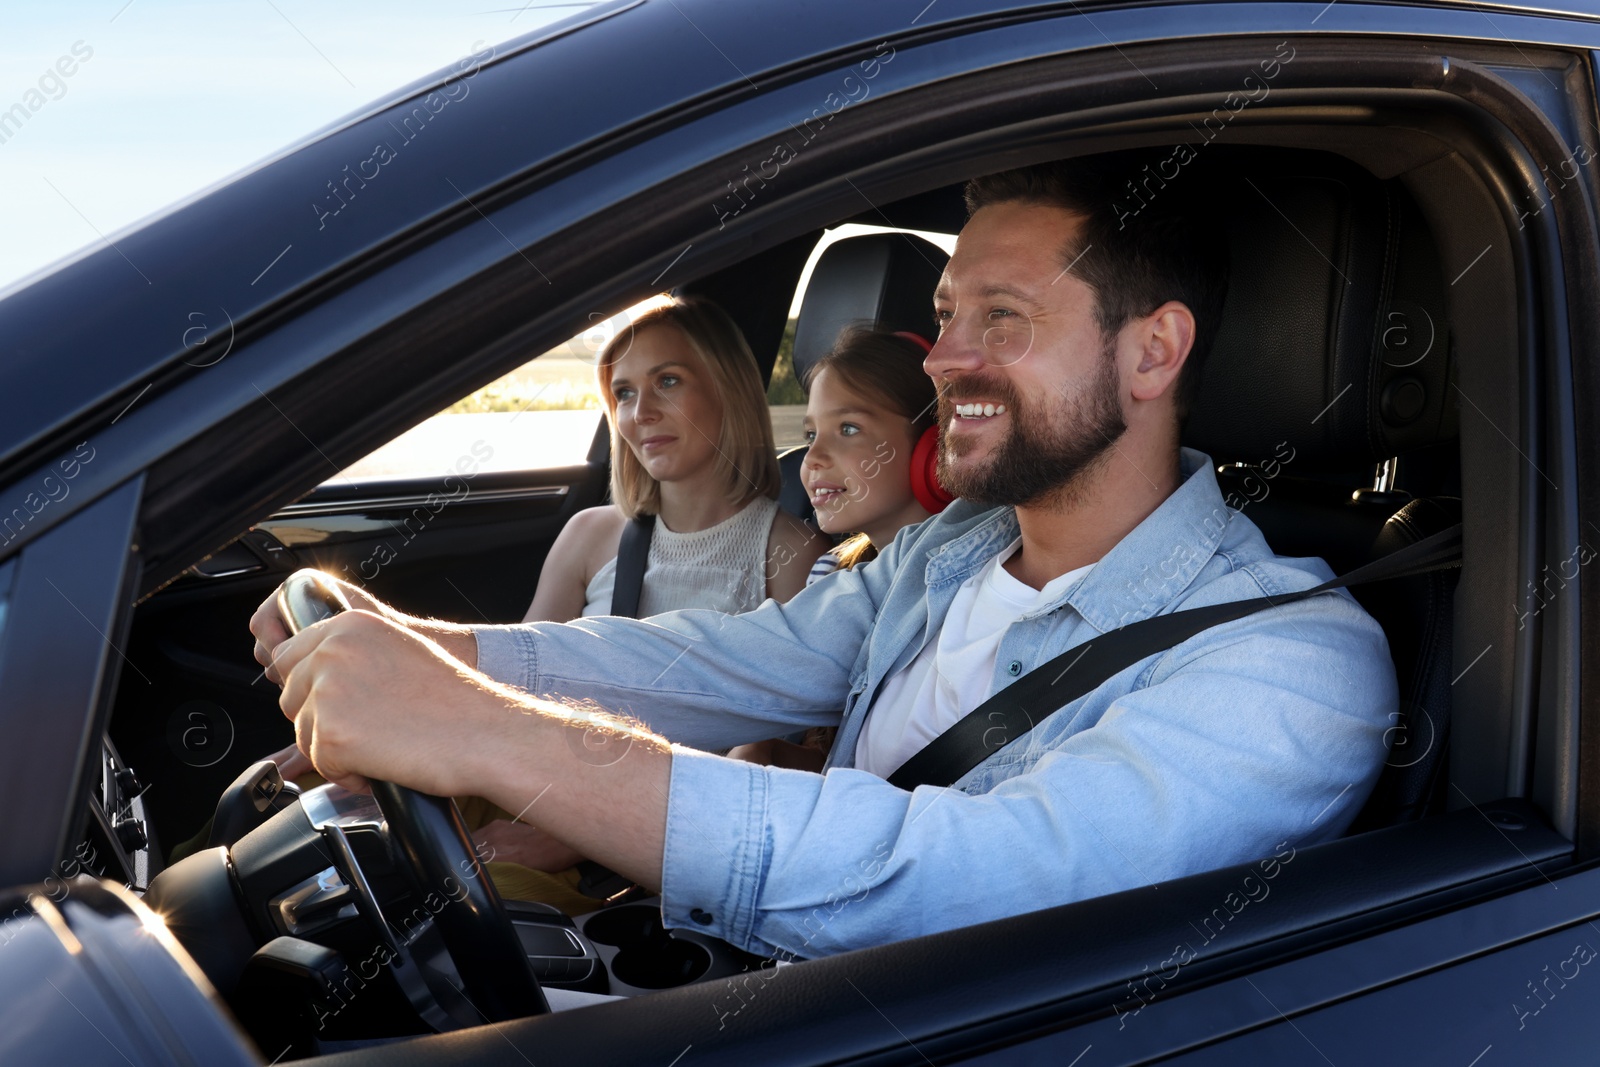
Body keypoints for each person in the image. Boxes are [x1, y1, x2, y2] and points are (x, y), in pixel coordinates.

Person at [251, 154, 1399, 962]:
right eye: (947, 314)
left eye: (1000, 317)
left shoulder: (1292, 661)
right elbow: (720, 662)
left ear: (1153, 352)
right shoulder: (952, 548)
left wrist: (490, 732)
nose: (945, 359)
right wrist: (423, 651)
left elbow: (964, 881)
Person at [728, 325, 943, 771]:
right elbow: (835, 760)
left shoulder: (962, 584)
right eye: (811, 435)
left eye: (848, 428)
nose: (813, 458)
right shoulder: (831, 571)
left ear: (932, 447)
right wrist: (766, 753)